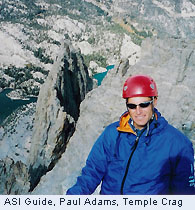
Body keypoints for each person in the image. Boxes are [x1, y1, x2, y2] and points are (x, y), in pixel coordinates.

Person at [66, 74, 195, 195]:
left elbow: (184, 196)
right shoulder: (113, 134)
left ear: (154, 101)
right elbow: (91, 173)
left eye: (144, 105)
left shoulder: (178, 144)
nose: (138, 111)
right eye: (132, 106)